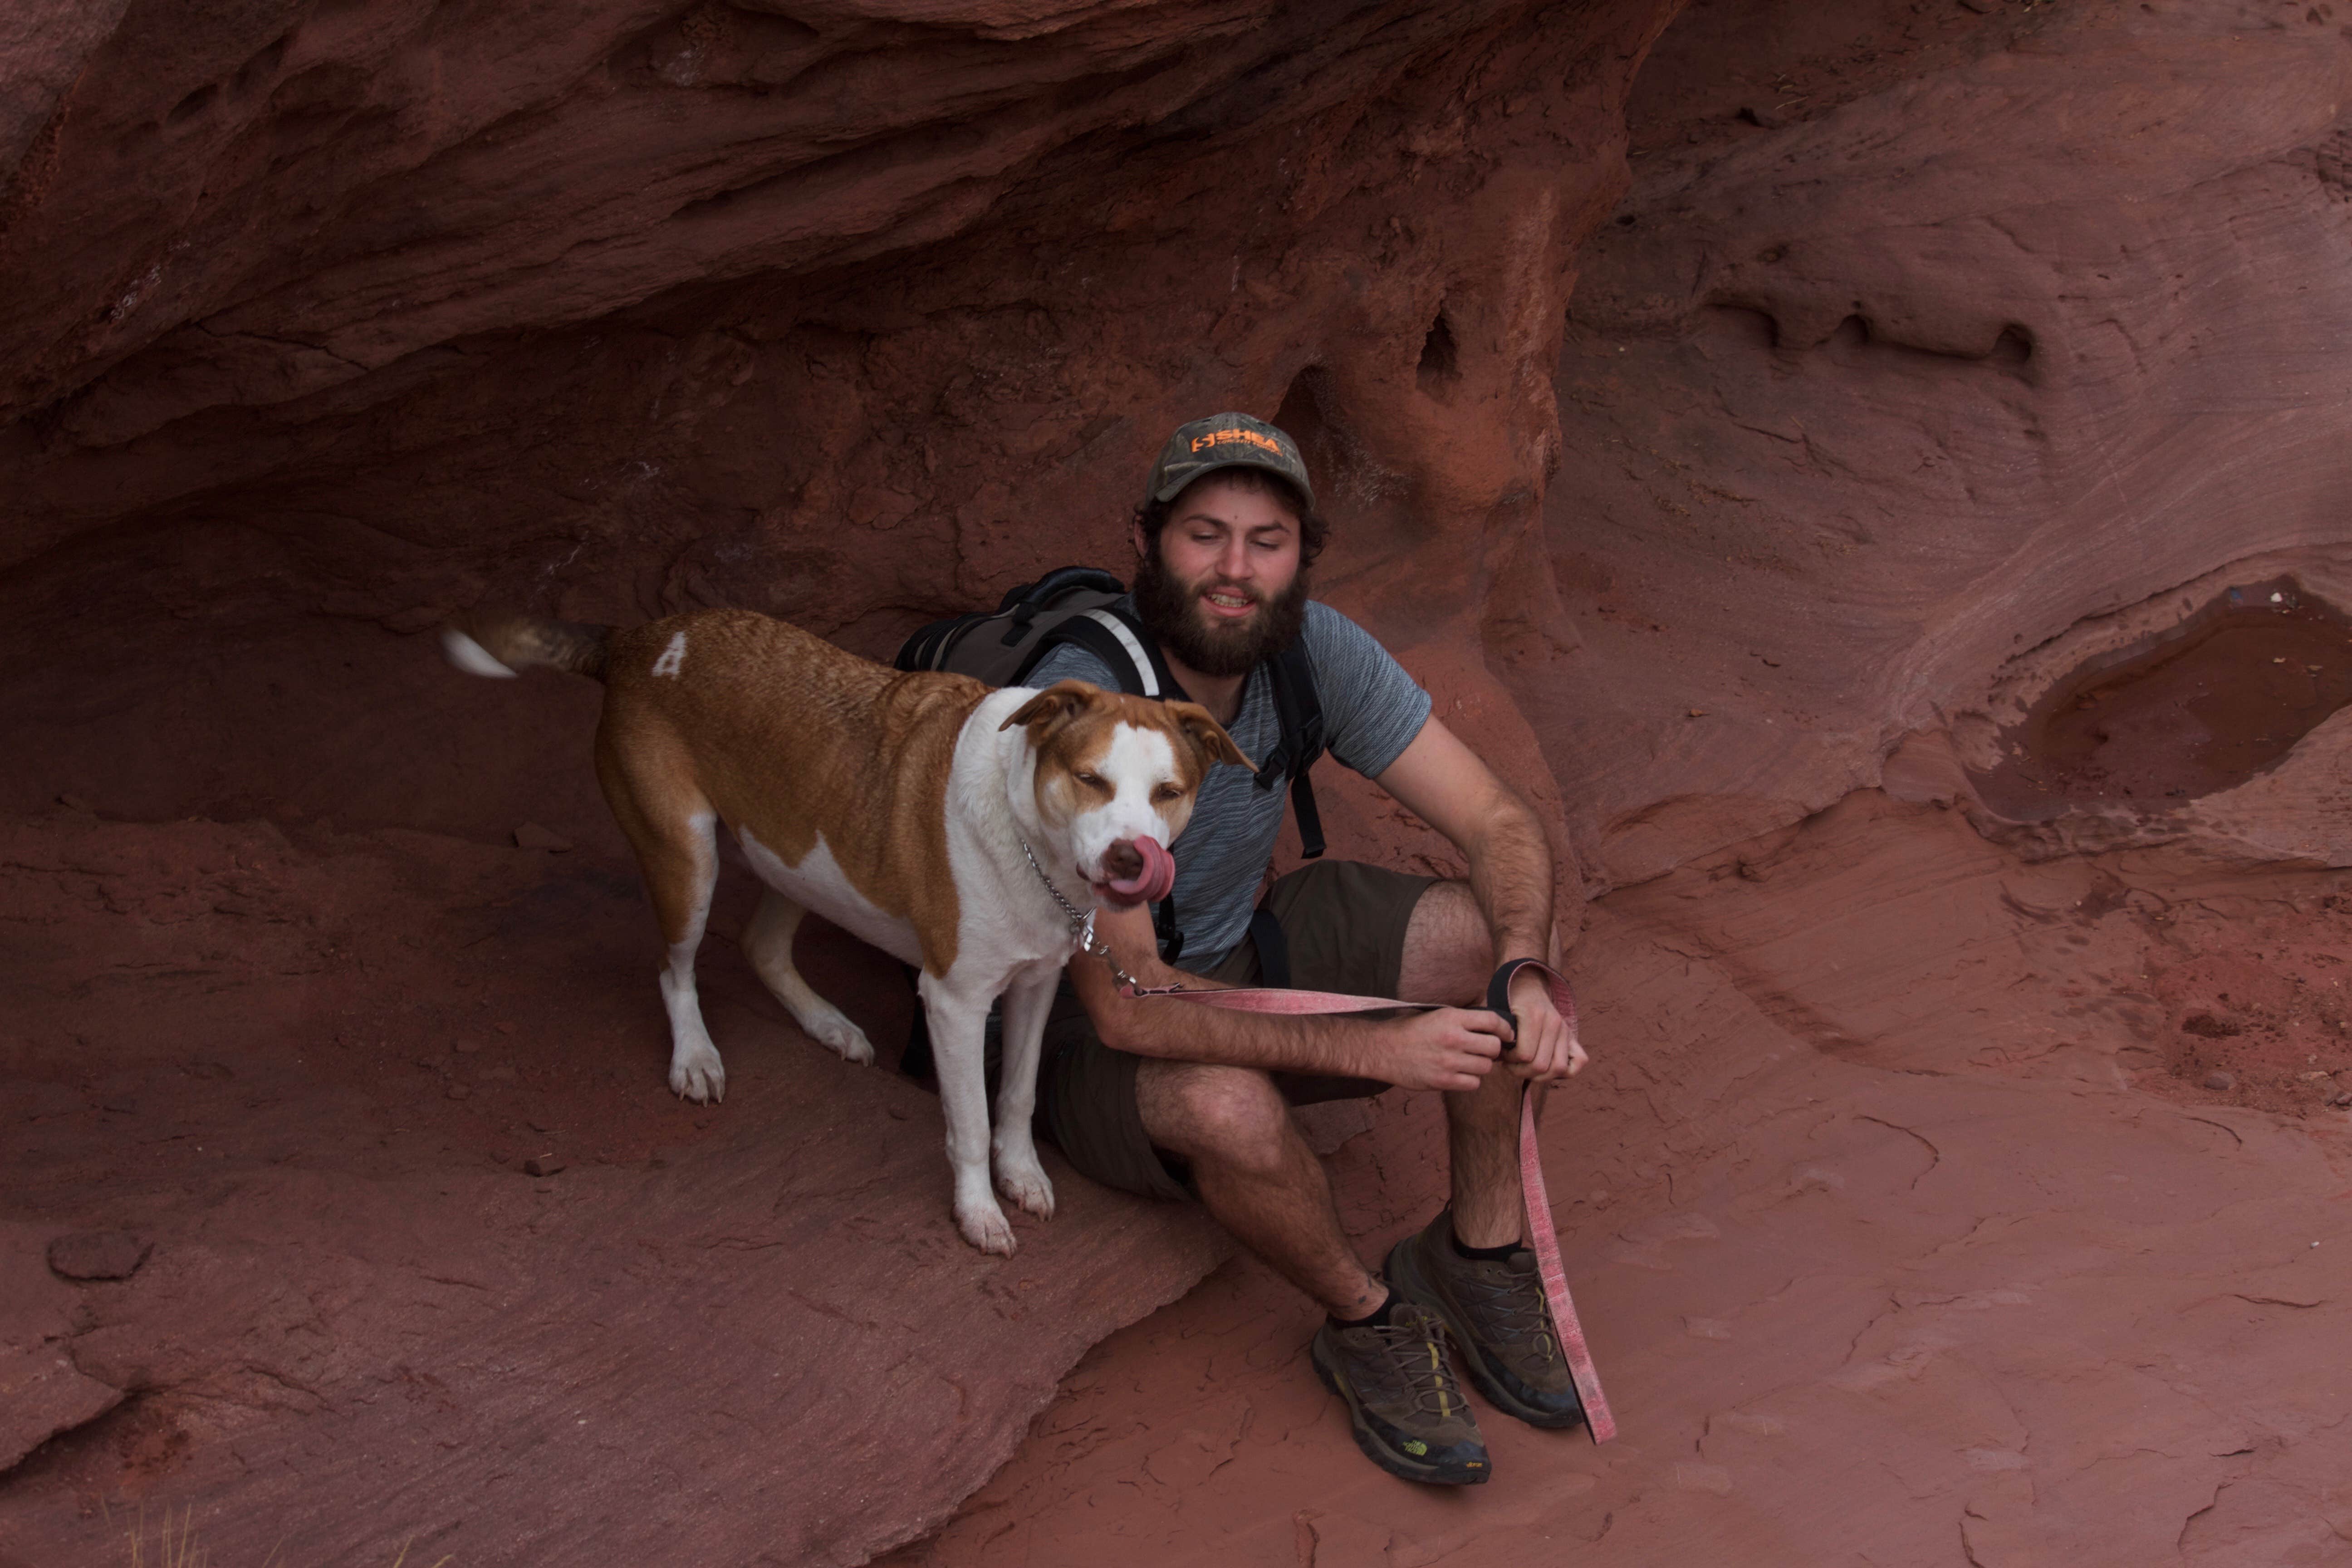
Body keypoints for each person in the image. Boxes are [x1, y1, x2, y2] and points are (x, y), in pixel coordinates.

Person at [1020, 412, 1589, 1486]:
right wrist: (1376, 1046)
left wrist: (1523, 973)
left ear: (1302, 556)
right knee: (1228, 1107)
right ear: (1147, 541)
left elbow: (1499, 823)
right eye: (1205, 534)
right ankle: (1366, 1319)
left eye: (1267, 541)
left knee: (1501, 937)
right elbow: (1130, 1005)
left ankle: (1478, 1253)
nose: (1235, 569)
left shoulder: (1312, 650)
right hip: (1088, 1037)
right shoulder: (1087, 703)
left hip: (1241, 954)